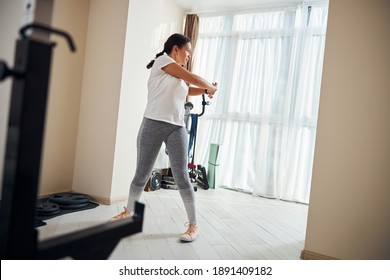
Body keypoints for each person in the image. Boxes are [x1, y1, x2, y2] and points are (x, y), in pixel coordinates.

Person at [110, 33, 218, 242]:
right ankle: (129, 212)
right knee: (142, 174)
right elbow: (194, 79)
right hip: (153, 123)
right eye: (187, 51)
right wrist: (210, 87)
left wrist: (206, 90)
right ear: (175, 48)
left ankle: (193, 225)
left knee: (182, 177)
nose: (188, 56)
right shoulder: (163, 61)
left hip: (176, 127)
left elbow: (191, 88)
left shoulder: (177, 75)